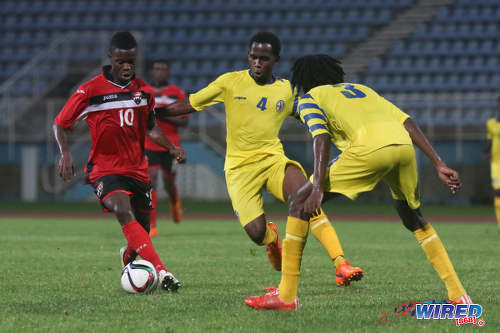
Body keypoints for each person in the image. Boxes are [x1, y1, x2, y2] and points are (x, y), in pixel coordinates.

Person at [245, 54, 472, 311]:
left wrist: (317, 186)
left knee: (299, 200)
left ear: (302, 80)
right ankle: (459, 295)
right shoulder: (362, 90)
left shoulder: (310, 98)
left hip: (369, 149)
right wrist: (438, 163)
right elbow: (407, 122)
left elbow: (321, 136)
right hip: (403, 147)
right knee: (415, 219)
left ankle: (286, 296)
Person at [156, 32, 363, 282]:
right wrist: (155, 113)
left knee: (306, 197)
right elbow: (190, 103)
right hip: (239, 168)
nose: (257, 62)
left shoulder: (285, 90)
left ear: (276, 59)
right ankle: (272, 238)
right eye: (253, 57)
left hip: (273, 160)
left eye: (263, 58)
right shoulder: (230, 82)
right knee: (256, 233)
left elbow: (308, 115)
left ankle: (342, 265)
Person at [53, 31, 186, 291]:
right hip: (104, 169)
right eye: (121, 61)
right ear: (110, 59)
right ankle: (163, 272)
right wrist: (65, 152)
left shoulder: (144, 91)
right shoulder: (90, 90)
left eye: (131, 61)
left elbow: (151, 128)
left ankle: (128, 261)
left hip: (137, 170)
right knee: (121, 209)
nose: (127, 66)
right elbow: (59, 123)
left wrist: (171, 148)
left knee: (142, 233)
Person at [145, 59, 188, 236]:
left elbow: (184, 121)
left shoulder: (176, 93)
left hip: (171, 145)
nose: (160, 72)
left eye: (163, 69)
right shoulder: (145, 92)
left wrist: (161, 113)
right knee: (151, 181)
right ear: (152, 72)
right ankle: (152, 225)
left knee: (168, 183)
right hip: (150, 143)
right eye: (157, 69)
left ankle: (174, 202)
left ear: (168, 72)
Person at [485, 97, 500, 231]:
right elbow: (489, 140)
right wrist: (487, 152)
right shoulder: (491, 123)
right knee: (497, 192)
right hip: (496, 164)